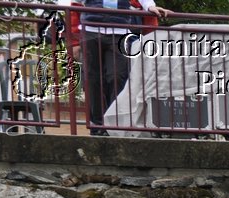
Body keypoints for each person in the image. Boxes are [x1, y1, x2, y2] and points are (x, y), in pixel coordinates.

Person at [73, 0, 172, 137]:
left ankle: (115, 124)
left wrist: (151, 7)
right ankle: (97, 125)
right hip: (90, 30)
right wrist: (74, 40)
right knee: (92, 79)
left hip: (119, 30)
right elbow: (74, 4)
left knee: (117, 76)